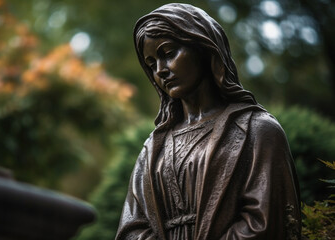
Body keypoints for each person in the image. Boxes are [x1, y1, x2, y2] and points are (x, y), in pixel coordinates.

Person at [115, 3, 301, 240]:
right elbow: (132, 228)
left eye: (169, 53)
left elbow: (264, 223)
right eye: (152, 64)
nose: (160, 70)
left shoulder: (258, 130)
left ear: (203, 48)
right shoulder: (153, 149)